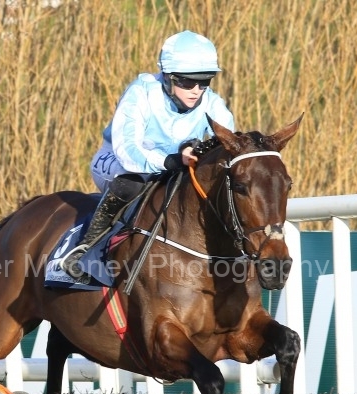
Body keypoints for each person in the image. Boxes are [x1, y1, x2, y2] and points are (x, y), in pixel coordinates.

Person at [62, 30, 235, 278]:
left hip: (173, 164)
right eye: (187, 82)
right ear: (167, 77)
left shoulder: (212, 102)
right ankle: (85, 249)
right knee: (132, 183)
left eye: (204, 81)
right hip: (118, 162)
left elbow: (229, 141)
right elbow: (128, 150)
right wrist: (170, 161)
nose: (196, 90)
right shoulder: (141, 92)